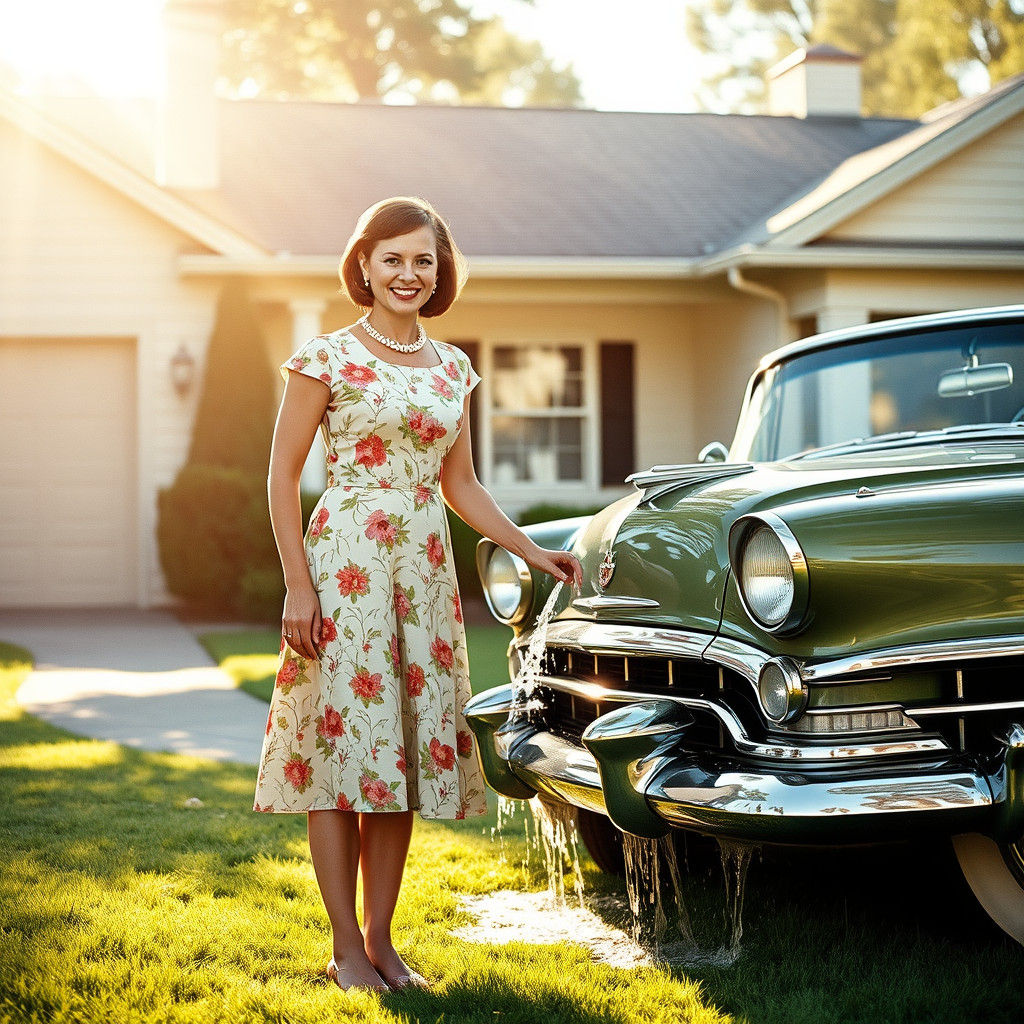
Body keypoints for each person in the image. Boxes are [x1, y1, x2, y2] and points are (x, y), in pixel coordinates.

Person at [253, 196, 583, 993]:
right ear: (364, 264)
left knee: (393, 756)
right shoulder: (323, 359)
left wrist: (529, 547)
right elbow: (280, 477)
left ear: (441, 271)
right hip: (345, 569)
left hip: (423, 572)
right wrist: (299, 584)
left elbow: (460, 483)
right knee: (339, 755)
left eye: (424, 260)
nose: (409, 273)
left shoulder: (452, 369)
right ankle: (343, 951)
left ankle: (382, 943)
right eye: (393, 258)